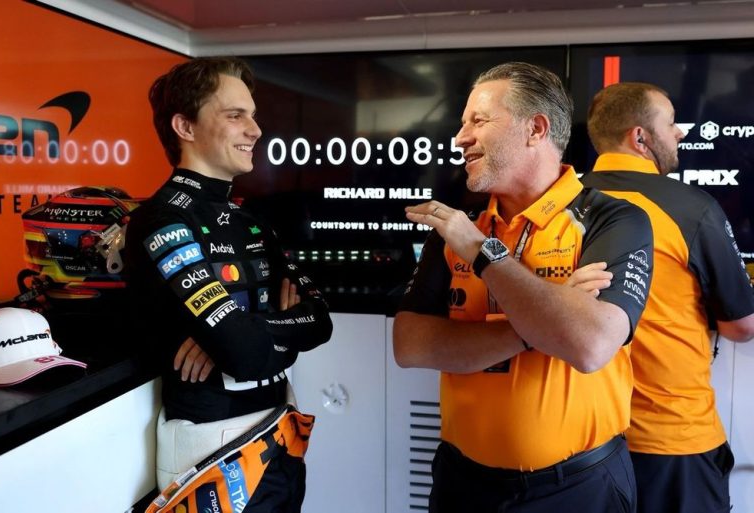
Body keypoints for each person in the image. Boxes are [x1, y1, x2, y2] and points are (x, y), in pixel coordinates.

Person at [393, 62, 654, 513]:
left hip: (578, 488)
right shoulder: (458, 228)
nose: (460, 138)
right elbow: (410, 345)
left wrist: (483, 253)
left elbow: (589, 345)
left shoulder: (615, 220)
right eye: (462, 124)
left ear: (535, 129)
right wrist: (543, 323)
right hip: (462, 484)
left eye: (478, 121)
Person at [124, 56, 332, 511]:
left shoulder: (250, 219)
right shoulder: (162, 220)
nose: (255, 130)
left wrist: (246, 328)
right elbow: (246, 353)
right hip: (210, 456)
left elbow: (320, 321)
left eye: (252, 116)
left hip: (281, 433)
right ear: (185, 126)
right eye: (236, 115)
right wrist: (258, 334)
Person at [583, 81, 754, 513]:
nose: (679, 132)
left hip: (582, 442)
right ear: (640, 137)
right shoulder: (691, 208)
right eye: (672, 123)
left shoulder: (560, 204)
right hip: (670, 439)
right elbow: (742, 325)